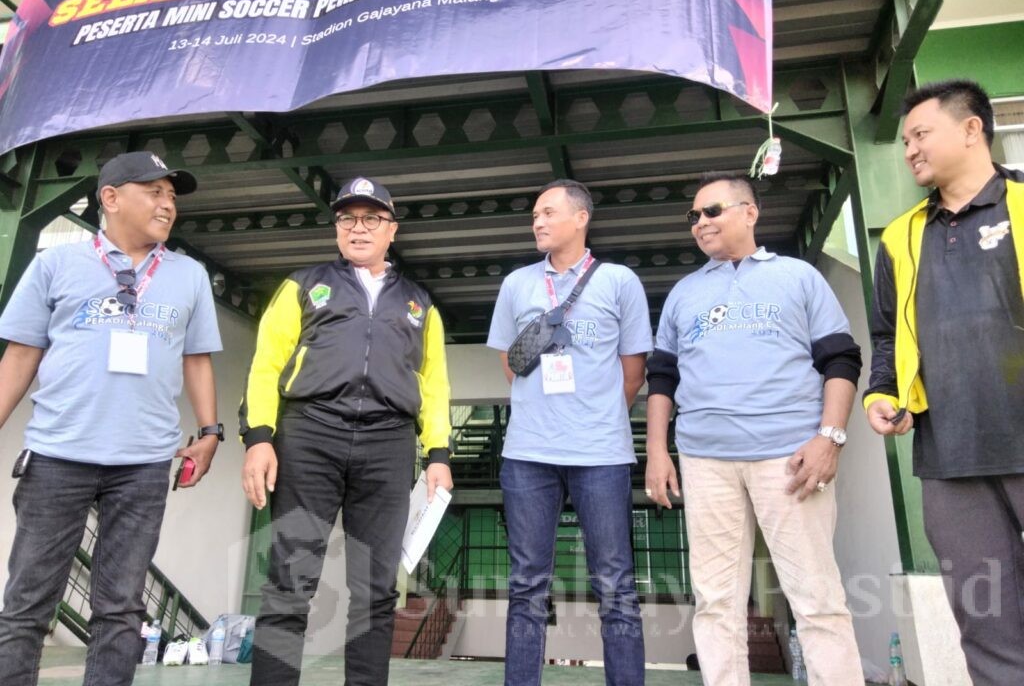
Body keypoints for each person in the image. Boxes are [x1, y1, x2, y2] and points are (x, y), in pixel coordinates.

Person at [0, 151, 223, 686]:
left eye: (172, 197)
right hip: (58, 456)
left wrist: (209, 432)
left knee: (121, 609)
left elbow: (196, 358)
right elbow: (20, 356)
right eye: (154, 192)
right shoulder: (56, 264)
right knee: (27, 603)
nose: (167, 205)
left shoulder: (188, 275)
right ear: (111, 197)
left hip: (144, 464)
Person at [646, 173, 864, 685]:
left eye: (712, 211)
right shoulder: (682, 294)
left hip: (789, 458)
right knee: (715, 600)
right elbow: (662, 377)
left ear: (750, 212)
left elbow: (841, 359)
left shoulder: (798, 277)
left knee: (816, 598)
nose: (700, 223)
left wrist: (830, 437)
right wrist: (658, 451)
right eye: (693, 216)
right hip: (704, 460)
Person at [239, 176, 453, 686]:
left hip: (389, 444)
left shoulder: (420, 304)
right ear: (337, 228)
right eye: (347, 218)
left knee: (376, 590)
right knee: (290, 583)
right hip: (309, 437)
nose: (358, 228)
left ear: (391, 229)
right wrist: (259, 438)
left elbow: (435, 385)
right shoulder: (301, 285)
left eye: (371, 218)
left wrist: (439, 453)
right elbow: (266, 365)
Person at [864, 79, 1024, 684]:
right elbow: (887, 335)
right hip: (950, 453)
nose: (909, 150)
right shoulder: (900, 236)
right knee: (986, 619)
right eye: (905, 141)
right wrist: (882, 393)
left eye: (920, 134)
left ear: (971, 128)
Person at [487, 179, 650, 686]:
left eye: (548, 212)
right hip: (527, 454)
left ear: (581, 218)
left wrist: (594, 416)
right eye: (534, 214)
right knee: (526, 586)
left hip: (601, 453)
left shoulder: (620, 281)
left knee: (615, 584)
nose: (537, 221)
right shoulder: (517, 283)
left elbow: (633, 371)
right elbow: (510, 363)